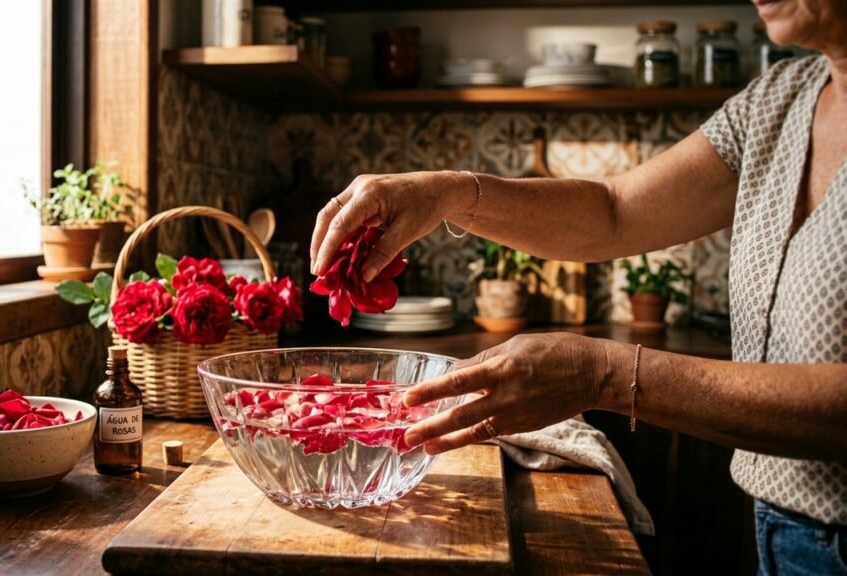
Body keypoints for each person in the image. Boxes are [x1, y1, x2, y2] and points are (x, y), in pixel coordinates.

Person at [310, 0, 846, 572]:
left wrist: (604, 374)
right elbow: (613, 211)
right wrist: (446, 191)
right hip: (779, 529)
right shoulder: (781, 96)